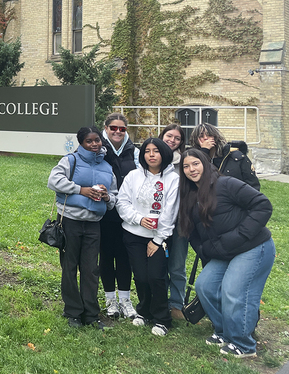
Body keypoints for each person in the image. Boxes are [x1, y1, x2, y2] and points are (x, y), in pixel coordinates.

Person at [178, 149, 274, 358]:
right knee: (205, 286)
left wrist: (239, 236)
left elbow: (262, 205)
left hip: (253, 247)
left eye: (195, 164)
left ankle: (243, 344)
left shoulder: (226, 184)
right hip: (223, 252)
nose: (191, 169)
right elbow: (192, 232)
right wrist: (205, 250)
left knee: (233, 290)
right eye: (186, 166)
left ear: (204, 163)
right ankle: (224, 331)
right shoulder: (189, 195)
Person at [47, 126, 117, 329]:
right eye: (89, 141)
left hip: (94, 223)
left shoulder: (106, 166)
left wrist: (106, 197)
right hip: (70, 221)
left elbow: (115, 195)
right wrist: (81, 190)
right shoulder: (70, 160)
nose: (95, 144)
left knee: (91, 269)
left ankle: (91, 314)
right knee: (69, 267)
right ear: (81, 143)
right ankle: (73, 312)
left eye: (97, 140)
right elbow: (54, 181)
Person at [116, 137, 179, 336]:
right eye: (147, 151)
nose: (151, 155)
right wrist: (138, 219)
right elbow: (122, 202)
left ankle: (162, 319)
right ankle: (144, 311)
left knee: (156, 276)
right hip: (134, 234)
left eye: (156, 151)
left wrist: (158, 240)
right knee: (141, 276)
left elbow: (170, 212)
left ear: (164, 154)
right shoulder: (133, 176)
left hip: (160, 238)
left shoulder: (173, 179)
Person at [99, 113, 138, 319]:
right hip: (104, 213)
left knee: (124, 258)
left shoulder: (135, 152)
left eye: (122, 129)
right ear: (106, 128)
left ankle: (125, 300)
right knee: (106, 256)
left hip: (128, 214)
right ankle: (110, 300)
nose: (117, 132)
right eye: (113, 127)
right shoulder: (99, 150)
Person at [159, 123, 189, 320]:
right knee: (158, 264)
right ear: (162, 136)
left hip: (180, 221)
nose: (172, 140)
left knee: (177, 264)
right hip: (155, 221)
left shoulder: (185, 161)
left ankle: (177, 303)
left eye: (177, 138)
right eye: (169, 136)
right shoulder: (150, 157)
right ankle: (159, 301)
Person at [189, 123, 260, 190]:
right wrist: (204, 151)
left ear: (215, 136)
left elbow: (252, 183)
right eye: (201, 136)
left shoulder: (236, 156)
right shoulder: (193, 159)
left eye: (209, 135)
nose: (206, 138)